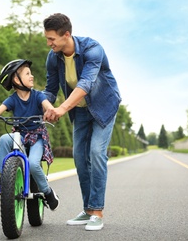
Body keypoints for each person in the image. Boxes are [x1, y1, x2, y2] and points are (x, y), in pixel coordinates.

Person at [42, 13, 121, 230]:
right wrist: (45, 106)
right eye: (47, 39)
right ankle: (87, 210)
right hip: (81, 111)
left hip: (104, 106)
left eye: (52, 39)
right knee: (79, 156)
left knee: (96, 152)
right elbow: (49, 90)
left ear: (66, 34)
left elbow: (86, 84)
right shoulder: (53, 57)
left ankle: (97, 211)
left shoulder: (92, 49)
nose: (49, 44)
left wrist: (62, 108)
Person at [0, 59, 60, 211]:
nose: (31, 76)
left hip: (37, 137)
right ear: (16, 79)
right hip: (20, 135)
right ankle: (2, 178)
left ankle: (48, 192)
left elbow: (48, 106)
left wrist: (51, 111)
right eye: (27, 74)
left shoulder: (38, 95)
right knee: (4, 138)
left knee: (33, 164)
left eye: (30, 73)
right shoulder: (12, 99)